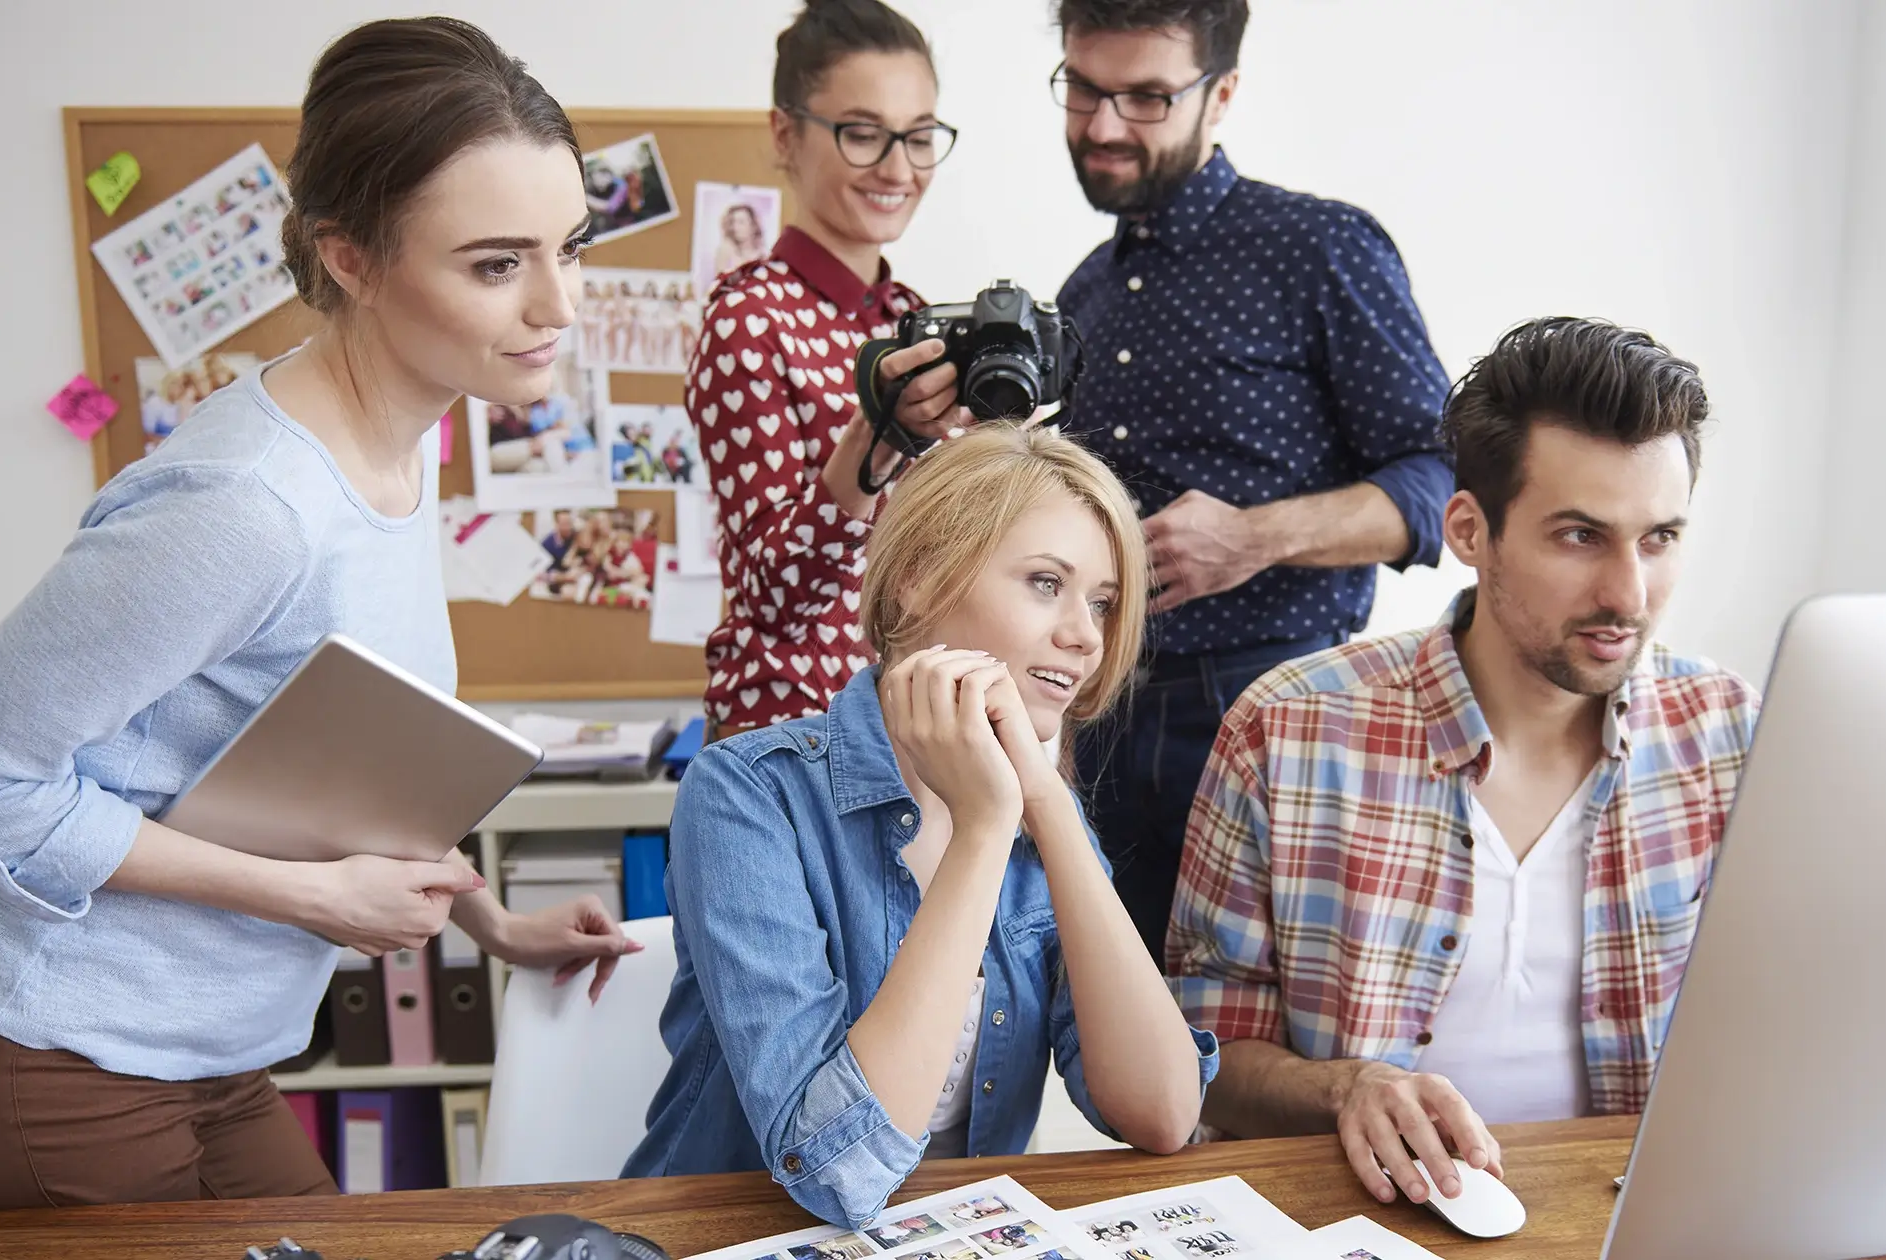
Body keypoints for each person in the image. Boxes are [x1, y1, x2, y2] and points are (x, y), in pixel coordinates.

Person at [0, 17, 639, 1212]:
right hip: (51, 1066)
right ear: (350, 257)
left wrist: (490, 922)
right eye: (497, 264)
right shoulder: (247, 506)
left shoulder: (408, 434)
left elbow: (348, 747)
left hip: (217, 1061)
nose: (557, 304)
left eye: (572, 246)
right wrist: (316, 900)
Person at [1164, 318, 1760, 1208]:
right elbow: (1197, 1055)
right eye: (1580, 537)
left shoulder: (1727, 733)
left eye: (1659, 538)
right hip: (1367, 1222)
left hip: (1625, 1219)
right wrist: (1346, 1087)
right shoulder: (1289, 730)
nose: (1628, 595)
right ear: (1470, 530)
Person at [624, 424, 1218, 1227]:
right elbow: (835, 1175)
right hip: (739, 1236)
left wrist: (1044, 802)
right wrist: (981, 832)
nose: (1085, 635)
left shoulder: (1039, 809)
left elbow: (1161, 1113)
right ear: (915, 578)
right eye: (1047, 583)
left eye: (1103, 603)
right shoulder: (749, 793)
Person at [1046, 0, 1455, 964]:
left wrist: (1258, 535)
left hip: (1275, 706)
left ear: (1220, 93)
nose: (1104, 124)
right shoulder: (1082, 293)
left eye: (1146, 97)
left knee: (1273, 1052)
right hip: (1099, 717)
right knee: (1123, 1058)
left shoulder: (1321, 249)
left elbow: (1443, 477)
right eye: (1084, 88)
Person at [692, 0, 971, 740]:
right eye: (862, 134)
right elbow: (779, 599)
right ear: (786, 133)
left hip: (907, 728)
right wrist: (875, 439)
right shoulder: (749, 318)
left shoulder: (912, 317)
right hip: (792, 738)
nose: (898, 169)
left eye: (918, 138)